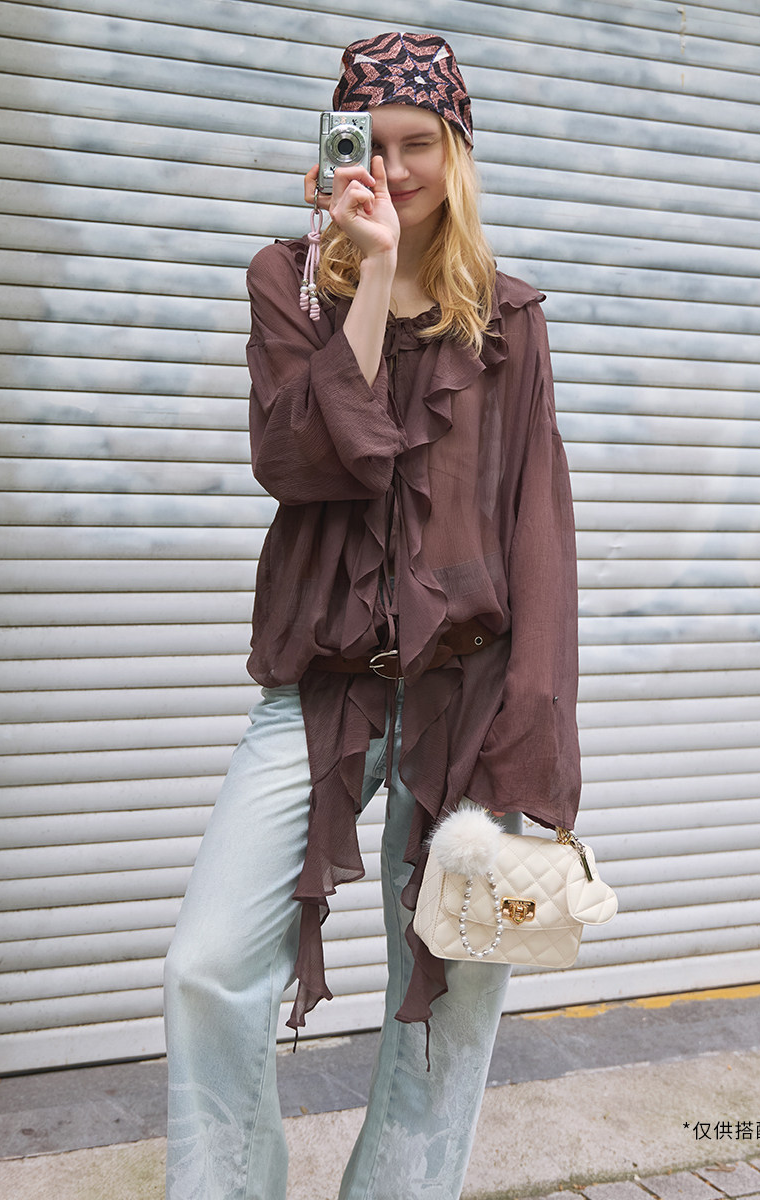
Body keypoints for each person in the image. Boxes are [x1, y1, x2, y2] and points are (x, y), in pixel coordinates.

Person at [163, 31, 581, 1200]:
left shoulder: (509, 317)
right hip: (320, 690)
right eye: (370, 144)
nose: (392, 171)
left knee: (458, 996)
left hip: (474, 701)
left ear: (456, 152)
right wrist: (370, 273)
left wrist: (536, 734)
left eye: (417, 145)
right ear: (334, 149)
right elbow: (300, 464)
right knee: (206, 965)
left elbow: (538, 526)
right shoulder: (287, 281)